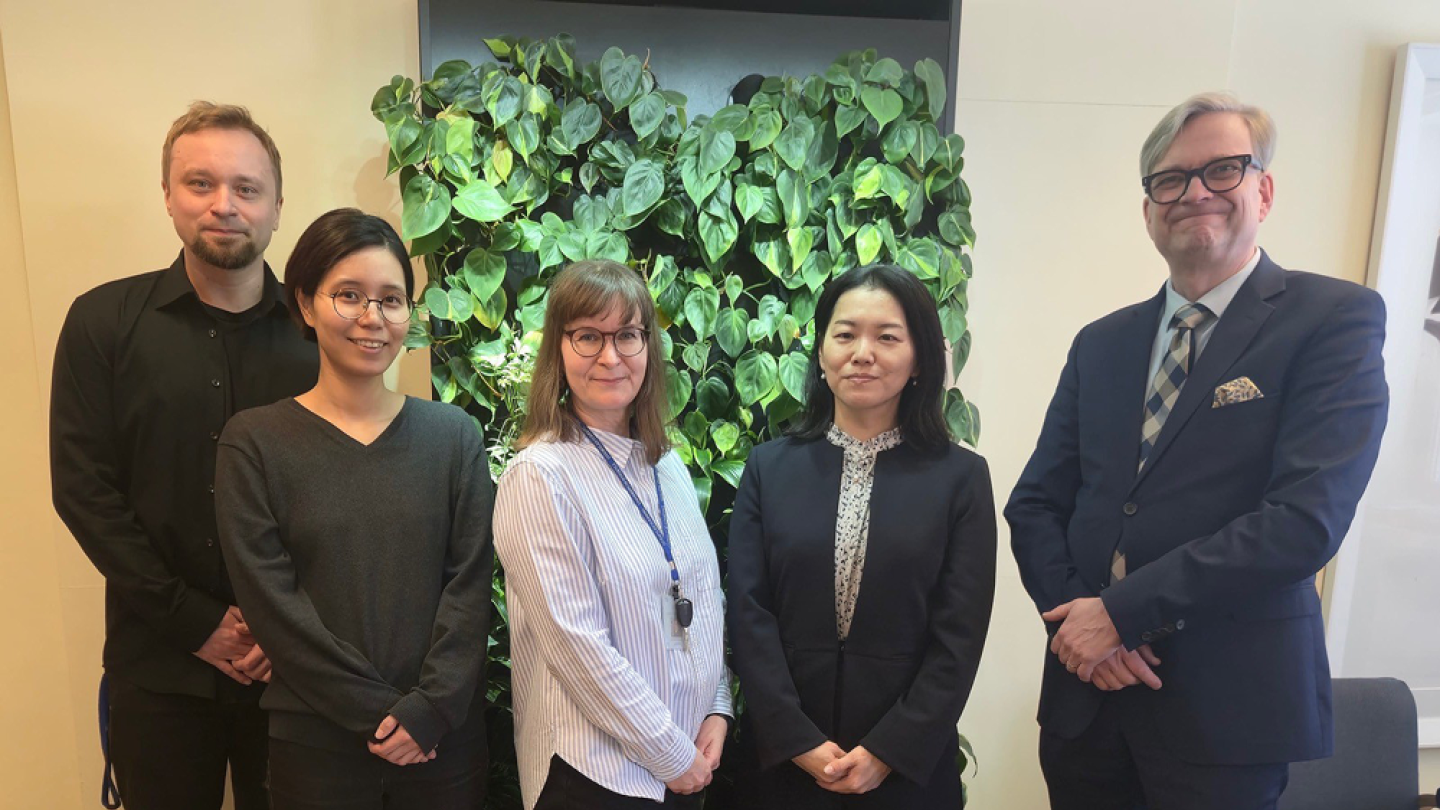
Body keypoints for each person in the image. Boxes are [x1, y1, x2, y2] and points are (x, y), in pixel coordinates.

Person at [1006, 92, 1389, 810]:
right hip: (1086, 700)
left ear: (1263, 190)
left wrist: (1120, 613)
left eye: (1221, 171)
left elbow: (1304, 520)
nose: (1193, 194)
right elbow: (1036, 502)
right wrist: (1079, 621)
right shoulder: (1103, 343)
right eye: (1170, 180)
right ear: (1148, 207)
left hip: (1228, 713)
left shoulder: (1333, 320)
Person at [49, 101, 317, 810]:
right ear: (167, 195)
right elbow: (83, 491)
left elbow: (343, 497)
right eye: (200, 184)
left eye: (247, 188)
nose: (224, 204)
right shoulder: (101, 322)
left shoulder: (320, 334)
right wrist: (193, 622)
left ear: (278, 205)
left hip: (294, 672)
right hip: (157, 667)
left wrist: (281, 625)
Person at [214, 208, 494, 809]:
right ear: (306, 305)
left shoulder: (454, 437)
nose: (373, 318)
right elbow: (273, 606)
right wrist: (384, 714)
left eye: (392, 300)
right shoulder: (255, 442)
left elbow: (469, 587)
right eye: (349, 296)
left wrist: (431, 709)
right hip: (316, 745)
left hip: (442, 741)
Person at [727, 264, 997, 809]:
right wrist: (796, 739)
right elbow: (749, 613)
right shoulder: (769, 468)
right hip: (782, 765)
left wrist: (888, 750)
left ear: (920, 357)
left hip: (905, 771)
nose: (863, 352)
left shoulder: (961, 479)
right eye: (845, 334)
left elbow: (959, 637)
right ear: (822, 351)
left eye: (887, 337)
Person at [493, 259, 732, 810]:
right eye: (587, 336)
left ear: (648, 346)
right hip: (595, 778)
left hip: (689, 762)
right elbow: (577, 646)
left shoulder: (668, 465)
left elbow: (700, 598)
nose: (610, 356)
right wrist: (671, 755)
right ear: (558, 348)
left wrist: (717, 706)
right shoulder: (540, 476)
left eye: (627, 334)